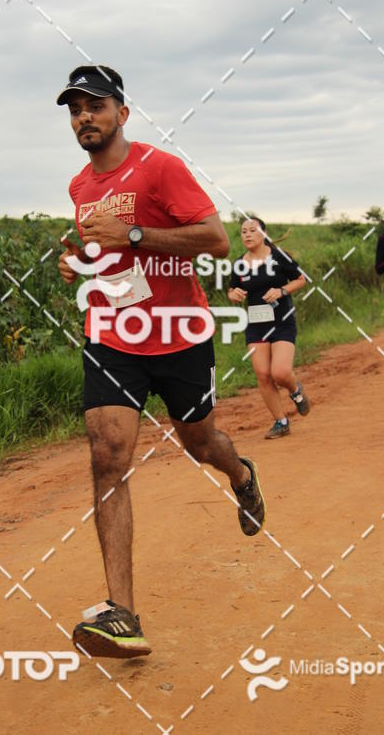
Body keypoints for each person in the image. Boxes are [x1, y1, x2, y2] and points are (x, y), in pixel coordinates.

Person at [56, 65, 266, 659]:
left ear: (122, 112)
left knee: (201, 443)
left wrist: (137, 237)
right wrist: (83, 263)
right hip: (112, 335)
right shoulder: (79, 186)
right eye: (74, 109)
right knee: (107, 455)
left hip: (178, 335)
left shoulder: (161, 167)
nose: (83, 118)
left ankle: (242, 476)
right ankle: (122, 613)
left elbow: (215, 239)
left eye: (94, 105)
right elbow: (106, 251)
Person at [227, 217, 310, 439]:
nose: (247, 234)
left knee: (280, 372)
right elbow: (232, 289)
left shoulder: (279, 256)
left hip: (282, 321)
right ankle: (281, 421)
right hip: (256, 325)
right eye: (243, 231)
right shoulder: (239, 264)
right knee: (263, 375)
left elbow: (301, 279)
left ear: (263, 234)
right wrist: (234, 295)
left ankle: (295, 390)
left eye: (252, 230)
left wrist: (281, 291)